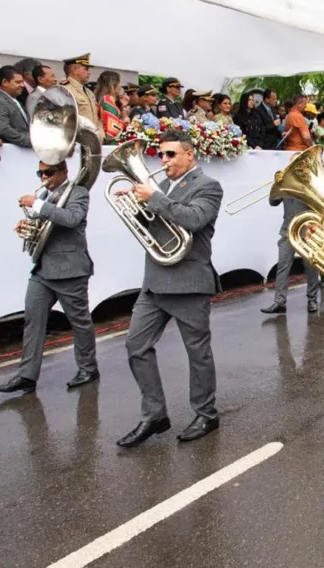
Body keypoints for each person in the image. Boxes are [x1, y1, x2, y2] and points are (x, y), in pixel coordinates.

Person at [115, 130, 225, 448]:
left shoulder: (208, 186)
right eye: (161, 155)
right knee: (136, 346)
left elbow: (193, 219)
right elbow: (151, 223)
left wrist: (154, 198)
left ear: (189, 155)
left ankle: (206, 413)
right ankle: (154, 414)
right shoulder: (161, 186)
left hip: (189, 282)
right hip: (155, 282)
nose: (163, 161)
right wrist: (134, 204)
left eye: (170, 154)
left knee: (197, 353)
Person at [0, 159, 99, 393]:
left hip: (70, 269)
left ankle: (88, 368)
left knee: (79, 323)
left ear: (64, 172)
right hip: (43, 269)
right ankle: (27, 375)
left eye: (48, 172)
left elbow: (71, 219)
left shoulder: (78, 192)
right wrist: (27, 226)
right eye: (40, 173)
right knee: (33, 320)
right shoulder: (48, 197)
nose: (43, 178)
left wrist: (37, 205)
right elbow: (43, 228)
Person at [262, 188, 321, 315]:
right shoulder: (285, 185)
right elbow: (272, 203)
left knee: (310, 267)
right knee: (282, 266)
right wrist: (276, 191)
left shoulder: (308, 184)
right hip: (288, 230)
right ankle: (279, 302)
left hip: (307, 230)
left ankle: (312, 300)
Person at [59, 54, 102, 139]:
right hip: (77, 141)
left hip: (93, 140)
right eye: (86, 69)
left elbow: (97, 118)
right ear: (74, 70)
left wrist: (100, 135)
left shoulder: (89, 92)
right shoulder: (65, 90)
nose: (89, 72)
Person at [0, 65, 32, 148]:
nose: (22, 85)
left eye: (22, 82)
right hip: (15, 152)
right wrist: (30, 141)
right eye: (18, 82)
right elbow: (3, 129)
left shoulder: (14, 99)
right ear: (5, 82)